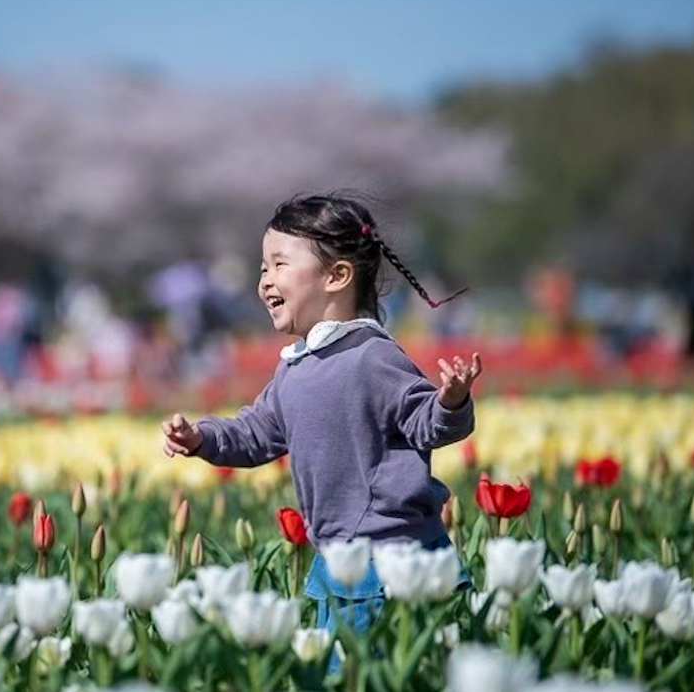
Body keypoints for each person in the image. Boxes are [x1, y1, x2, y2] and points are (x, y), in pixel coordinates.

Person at [159, 193, 481, 657]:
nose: (264, 280)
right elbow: (256, 432)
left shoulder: (372, 357)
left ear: (337, 276)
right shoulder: (295, 367)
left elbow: (427, 424)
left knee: (377, 671)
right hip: (339, 558)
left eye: (278, 264)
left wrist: (450, 401)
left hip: (392, 559)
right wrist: (202, 437)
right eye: (263, 268)